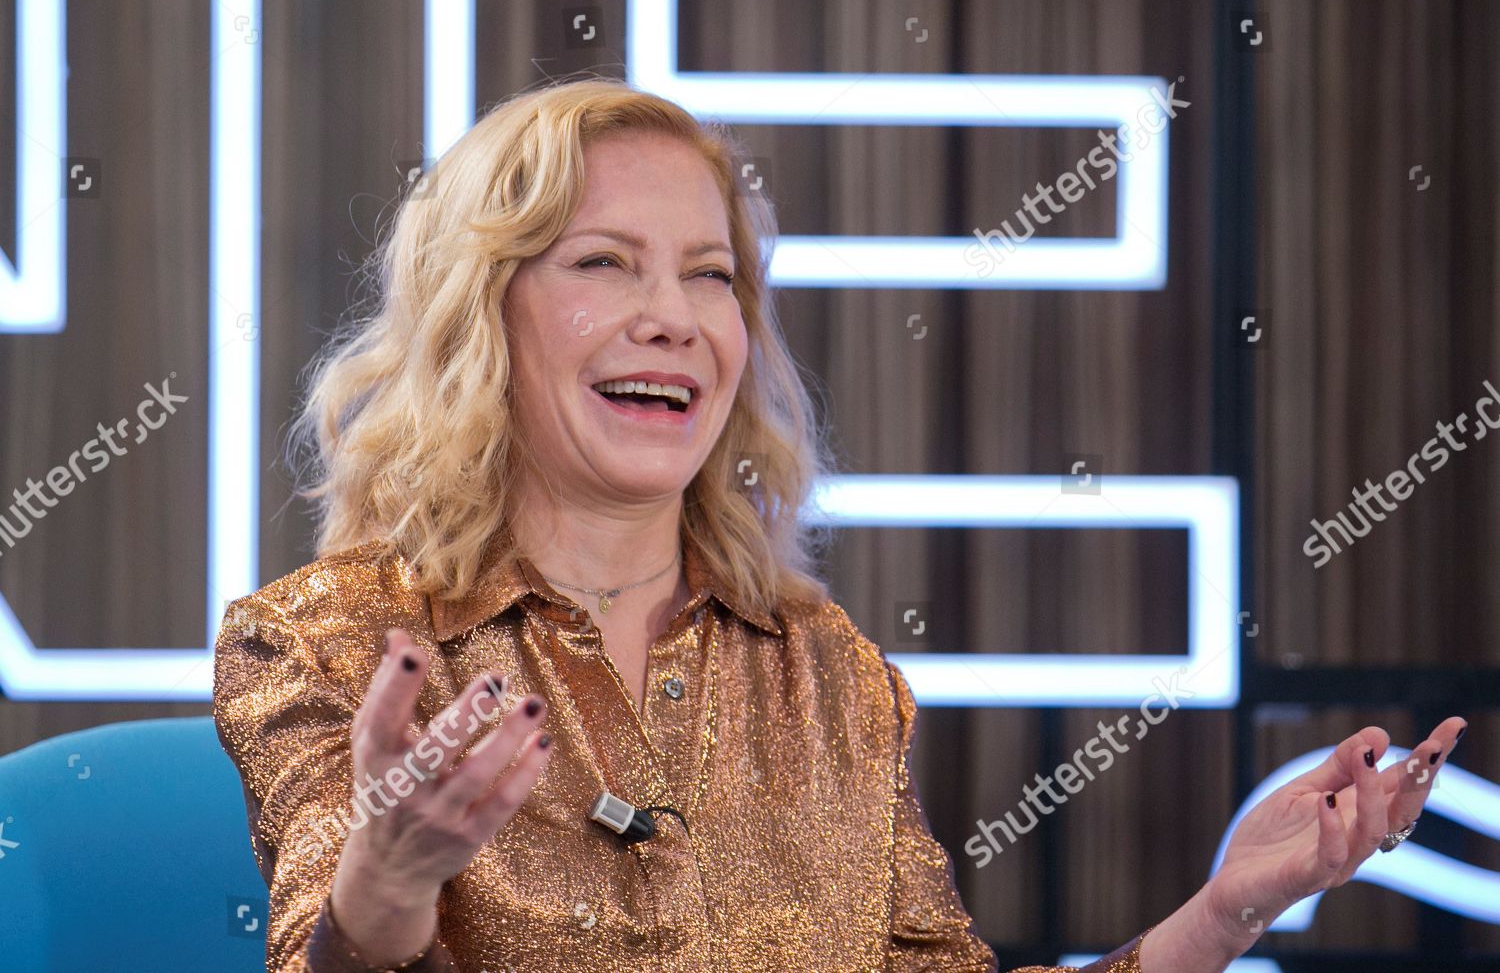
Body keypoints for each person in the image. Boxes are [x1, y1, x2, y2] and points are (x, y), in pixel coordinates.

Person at [212, 76, 1467, 973]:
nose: (673, 315)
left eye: (709, 274)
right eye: (603, 263)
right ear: (480, 318)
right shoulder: (324, 642)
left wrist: (1227, 914)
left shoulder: (824, 669)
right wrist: (385, 884)